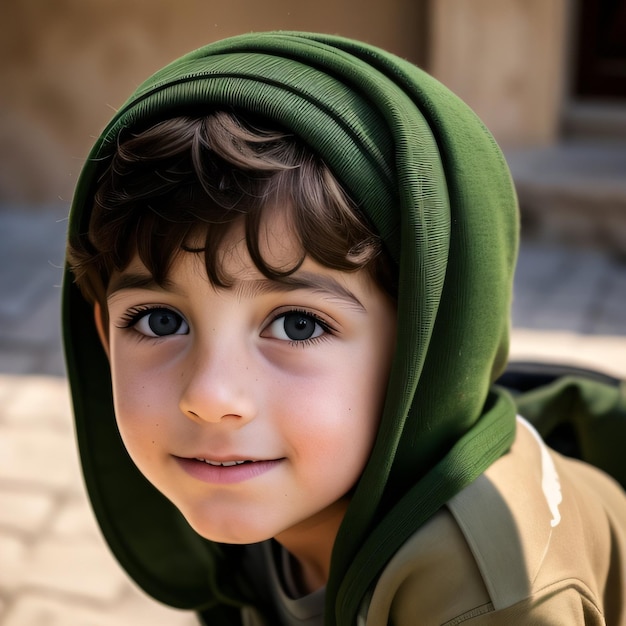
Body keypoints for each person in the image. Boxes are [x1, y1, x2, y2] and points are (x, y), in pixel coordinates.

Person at [62, 31, 626, 625]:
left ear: (420, 351)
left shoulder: (489, 601)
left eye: (299, 325)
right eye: (160, 320)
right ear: (104, 335)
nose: (210, 398)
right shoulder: (274, 487)